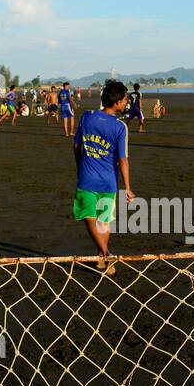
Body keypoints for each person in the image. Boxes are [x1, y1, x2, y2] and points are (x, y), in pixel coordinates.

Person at [74, 80, 132, 275]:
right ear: (117, 102)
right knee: (100, 220)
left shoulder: (87, 117)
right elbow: (123, 160)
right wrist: (128, 187)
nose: (126, 103)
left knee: (93, 218)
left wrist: (79, 166)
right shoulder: (120, 127)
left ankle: (102, 257)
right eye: (125, 100)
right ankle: (105, 257)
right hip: (108, 182)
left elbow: (76, 147)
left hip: (89, 178)